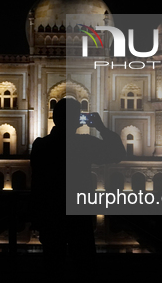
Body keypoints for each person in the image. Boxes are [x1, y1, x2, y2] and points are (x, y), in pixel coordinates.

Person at [30, 98, 125, 257]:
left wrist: (37, 218)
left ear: (55, 118)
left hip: (51, 216)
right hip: (79, 216)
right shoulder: (83, 144)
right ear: (77, 120)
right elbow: (118, 153)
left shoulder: (41, 145)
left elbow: (37, 184)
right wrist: (101, 128)